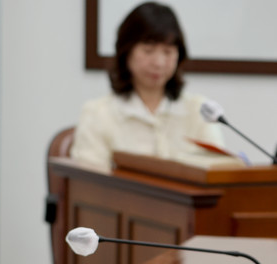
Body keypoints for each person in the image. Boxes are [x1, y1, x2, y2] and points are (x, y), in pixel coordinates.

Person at [70, 1, 224, 172]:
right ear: (126, 52)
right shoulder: (98, 114)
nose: (158, 63)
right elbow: (89, 184)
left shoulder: (199, 112)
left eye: (168, 52)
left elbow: (216, 176)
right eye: (148, 50)